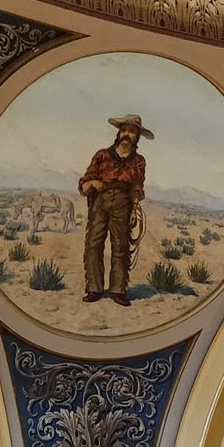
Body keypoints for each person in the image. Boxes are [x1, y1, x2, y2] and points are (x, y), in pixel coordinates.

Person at [79, 114, 153, 305]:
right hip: (100, 202)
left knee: (120, 247)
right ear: (119, 132)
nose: (128, 135)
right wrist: (94, 182)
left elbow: (137, 186)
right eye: (125, 130)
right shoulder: (102, 155)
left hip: (123, 203)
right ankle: (94, 289)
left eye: (133, 132)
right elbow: (86, 182)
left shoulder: (139, 161)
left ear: (137, 137)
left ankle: (118, 290)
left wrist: (134, 209)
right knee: (93, 244)